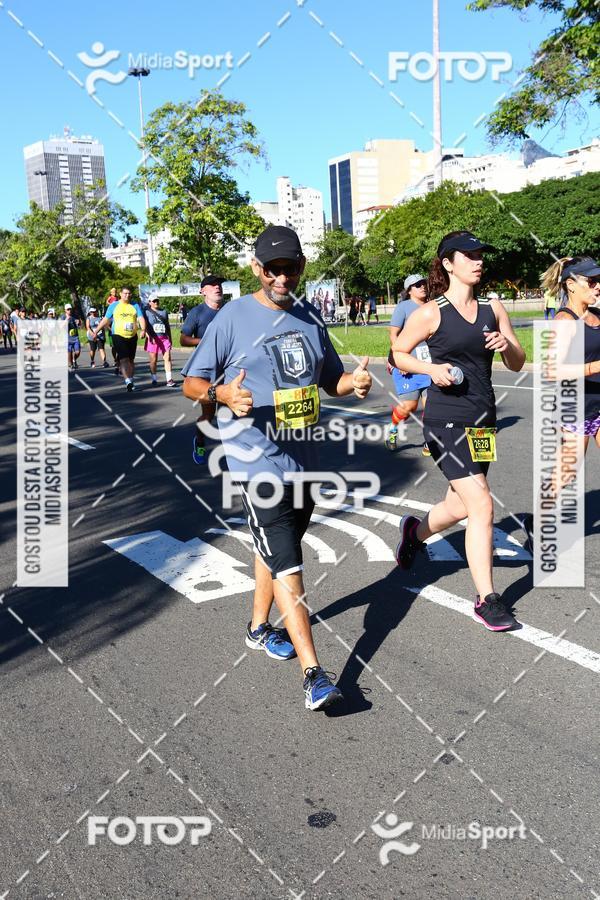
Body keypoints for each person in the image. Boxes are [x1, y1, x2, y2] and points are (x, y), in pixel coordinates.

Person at [181, 225, 372, 711]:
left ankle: (257, 628)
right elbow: (191, 384)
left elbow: (332, 381)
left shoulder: (310, 316)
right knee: (289, 560)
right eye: (273, 269)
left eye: (290, 268)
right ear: (256, 268)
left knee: (276, 549)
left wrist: (358, 381)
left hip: (304, 458)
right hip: (254, 460)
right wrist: (223, 394)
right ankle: (314, 674)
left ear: (302, 267)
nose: (282, 277)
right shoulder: (231, 319)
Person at [392, 230, 525, 632]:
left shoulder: (493, 307)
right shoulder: (432, 312)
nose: (478, 260)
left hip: (484, 421)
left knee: (461, 505)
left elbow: (519, 362)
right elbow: (398, 353)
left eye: (480, 254)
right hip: (444, 421)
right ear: (448, 263)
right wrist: (430, 369)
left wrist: (506, 345)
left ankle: (414, 532)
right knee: (482, 504)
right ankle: (487, 598)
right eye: (468, 255)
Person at [523, 256, 600, 552]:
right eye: (591, 281)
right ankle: (537, 521)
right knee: (565, 474)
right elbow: (551, 371)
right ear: (571, 284)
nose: (597, 286)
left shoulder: (596, 317)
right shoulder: (564, 321)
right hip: (575, 407)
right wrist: (595, 368)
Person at [180, 275, 226, 463]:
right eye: (213, 285)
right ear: (203, 291)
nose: (217, 287)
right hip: (207, 371)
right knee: (209, 414)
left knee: (232, 411)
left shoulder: (229, 311)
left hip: (229, 367)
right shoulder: (197, 312)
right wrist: (203, 342)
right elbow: (183, 339)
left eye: (220, 285)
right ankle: (199, 441)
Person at [386, 274, 431, 456]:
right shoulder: (403, 307)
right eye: (417, 285)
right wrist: (399, 359)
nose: (422, 287)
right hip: (407, 366)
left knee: (432, 406)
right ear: (409, 290)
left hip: (429, 366)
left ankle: (430, 440)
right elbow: (393, 334)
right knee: (409, 407)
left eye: (423, 283)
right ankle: (393, 429)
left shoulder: (432, 306)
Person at [92, 287, 146, 391]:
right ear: (120, 294)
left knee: (131, 360)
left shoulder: (135, 305)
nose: (127, 295)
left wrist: (143, 330)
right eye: (125, 293)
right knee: (124, 359)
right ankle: (128, 382)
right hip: (118, 335)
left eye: (129, 293)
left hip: (132, 335)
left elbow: (141, 318)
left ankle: (131, 380)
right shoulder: (114, 305)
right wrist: (96, 331)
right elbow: (105, 319)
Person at [144, 296, 176, 387]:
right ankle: (154, 378)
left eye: (157, 301)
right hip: (153, 339)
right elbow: (144, 327)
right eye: (154, 301)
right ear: (150, 302)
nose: (156, 302)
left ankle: (169, 379)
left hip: (164, 338)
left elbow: (167, 326)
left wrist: (170, 338)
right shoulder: (146, 312)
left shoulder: (164, 312)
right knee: (153, 360)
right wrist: (149, 336)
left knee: (168, 358)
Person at [63, 303, 81, 371]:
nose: (69, 310)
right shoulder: (63, 317)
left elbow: (79, 325)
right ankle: (70, 364)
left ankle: (74, 359)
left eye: (70, 309)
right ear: (65, 310)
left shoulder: (74, 316)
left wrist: (78, 322)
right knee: (69, 352)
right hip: (67, 338)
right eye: (68, 309)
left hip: (75, 337)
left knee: (77, 352)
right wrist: (66, 320)